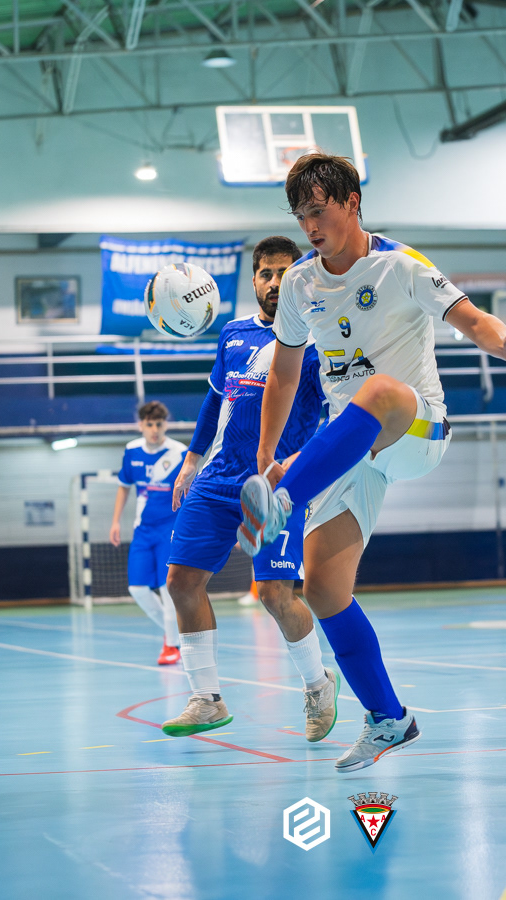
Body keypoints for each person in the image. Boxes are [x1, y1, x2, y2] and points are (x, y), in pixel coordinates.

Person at [237, 153, 506, 772]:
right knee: (323, 589)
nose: (310, 226)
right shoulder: (298, 285)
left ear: (352, 202)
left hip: (416, 426)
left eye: (319, 211)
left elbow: (472, 319)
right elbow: (284, 373)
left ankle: (283, 502)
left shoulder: (402, 266)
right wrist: (267, 453)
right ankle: (388, 718)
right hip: (352, 448)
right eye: (301, 217)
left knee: (378, 390)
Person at [159, 236, 337, 742]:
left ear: (301, 277)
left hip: (279, 484)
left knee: (275, 593)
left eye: (285, 272)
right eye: (266, 274)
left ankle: (318, 685)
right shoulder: (234, 334)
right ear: (254, 280)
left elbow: (337, 416)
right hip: (218, 478)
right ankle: (206, 699)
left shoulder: (319, 340)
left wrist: (301, 465)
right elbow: (215, 400)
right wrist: (191, 460)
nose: (275, 282)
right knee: (181, 582)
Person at [111, 401, 186, 665]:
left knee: (167, 587)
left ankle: (172, 646)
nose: (155, 429)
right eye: (150, 424)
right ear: (140, 425)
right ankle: (174, 633)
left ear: (166, 424)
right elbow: (124, 486)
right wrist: (115, 521)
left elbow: (190, 491)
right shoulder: (132, 450)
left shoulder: (180, 453)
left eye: (159, 424)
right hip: (142, 530)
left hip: (170, 528)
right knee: (137, 589)